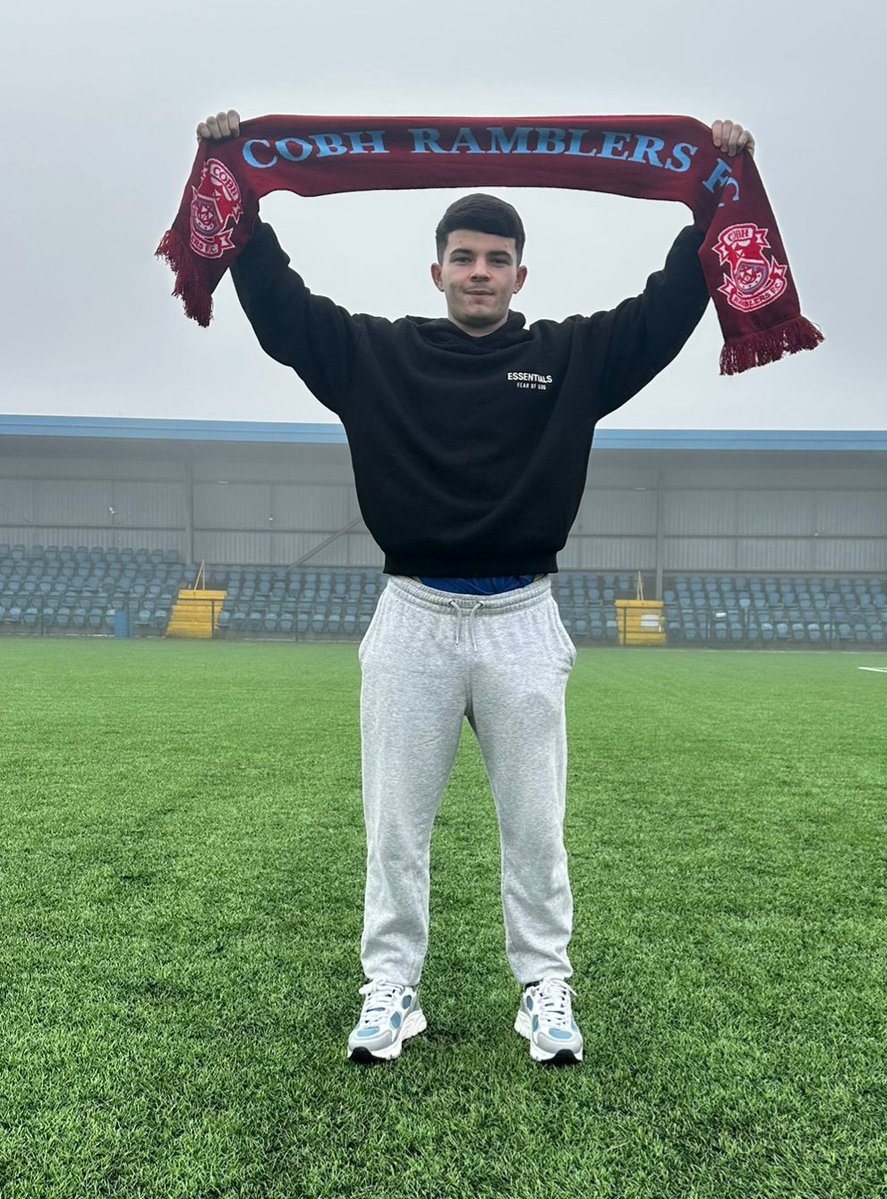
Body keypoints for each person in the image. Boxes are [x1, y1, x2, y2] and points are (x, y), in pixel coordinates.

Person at [197, 110, 755, 1066]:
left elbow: (670, 306)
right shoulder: (374, 354)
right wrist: (235, 185)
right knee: (394, 826)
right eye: (464, 256)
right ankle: (391, 990)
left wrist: (716, 187)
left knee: (535, 828)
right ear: (438, 269)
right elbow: (281, 311)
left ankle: (544, 988)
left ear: (520, 274)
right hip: (411, 616)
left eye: (497, 258)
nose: (480, 271)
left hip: (522, 621)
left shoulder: (572, 357)